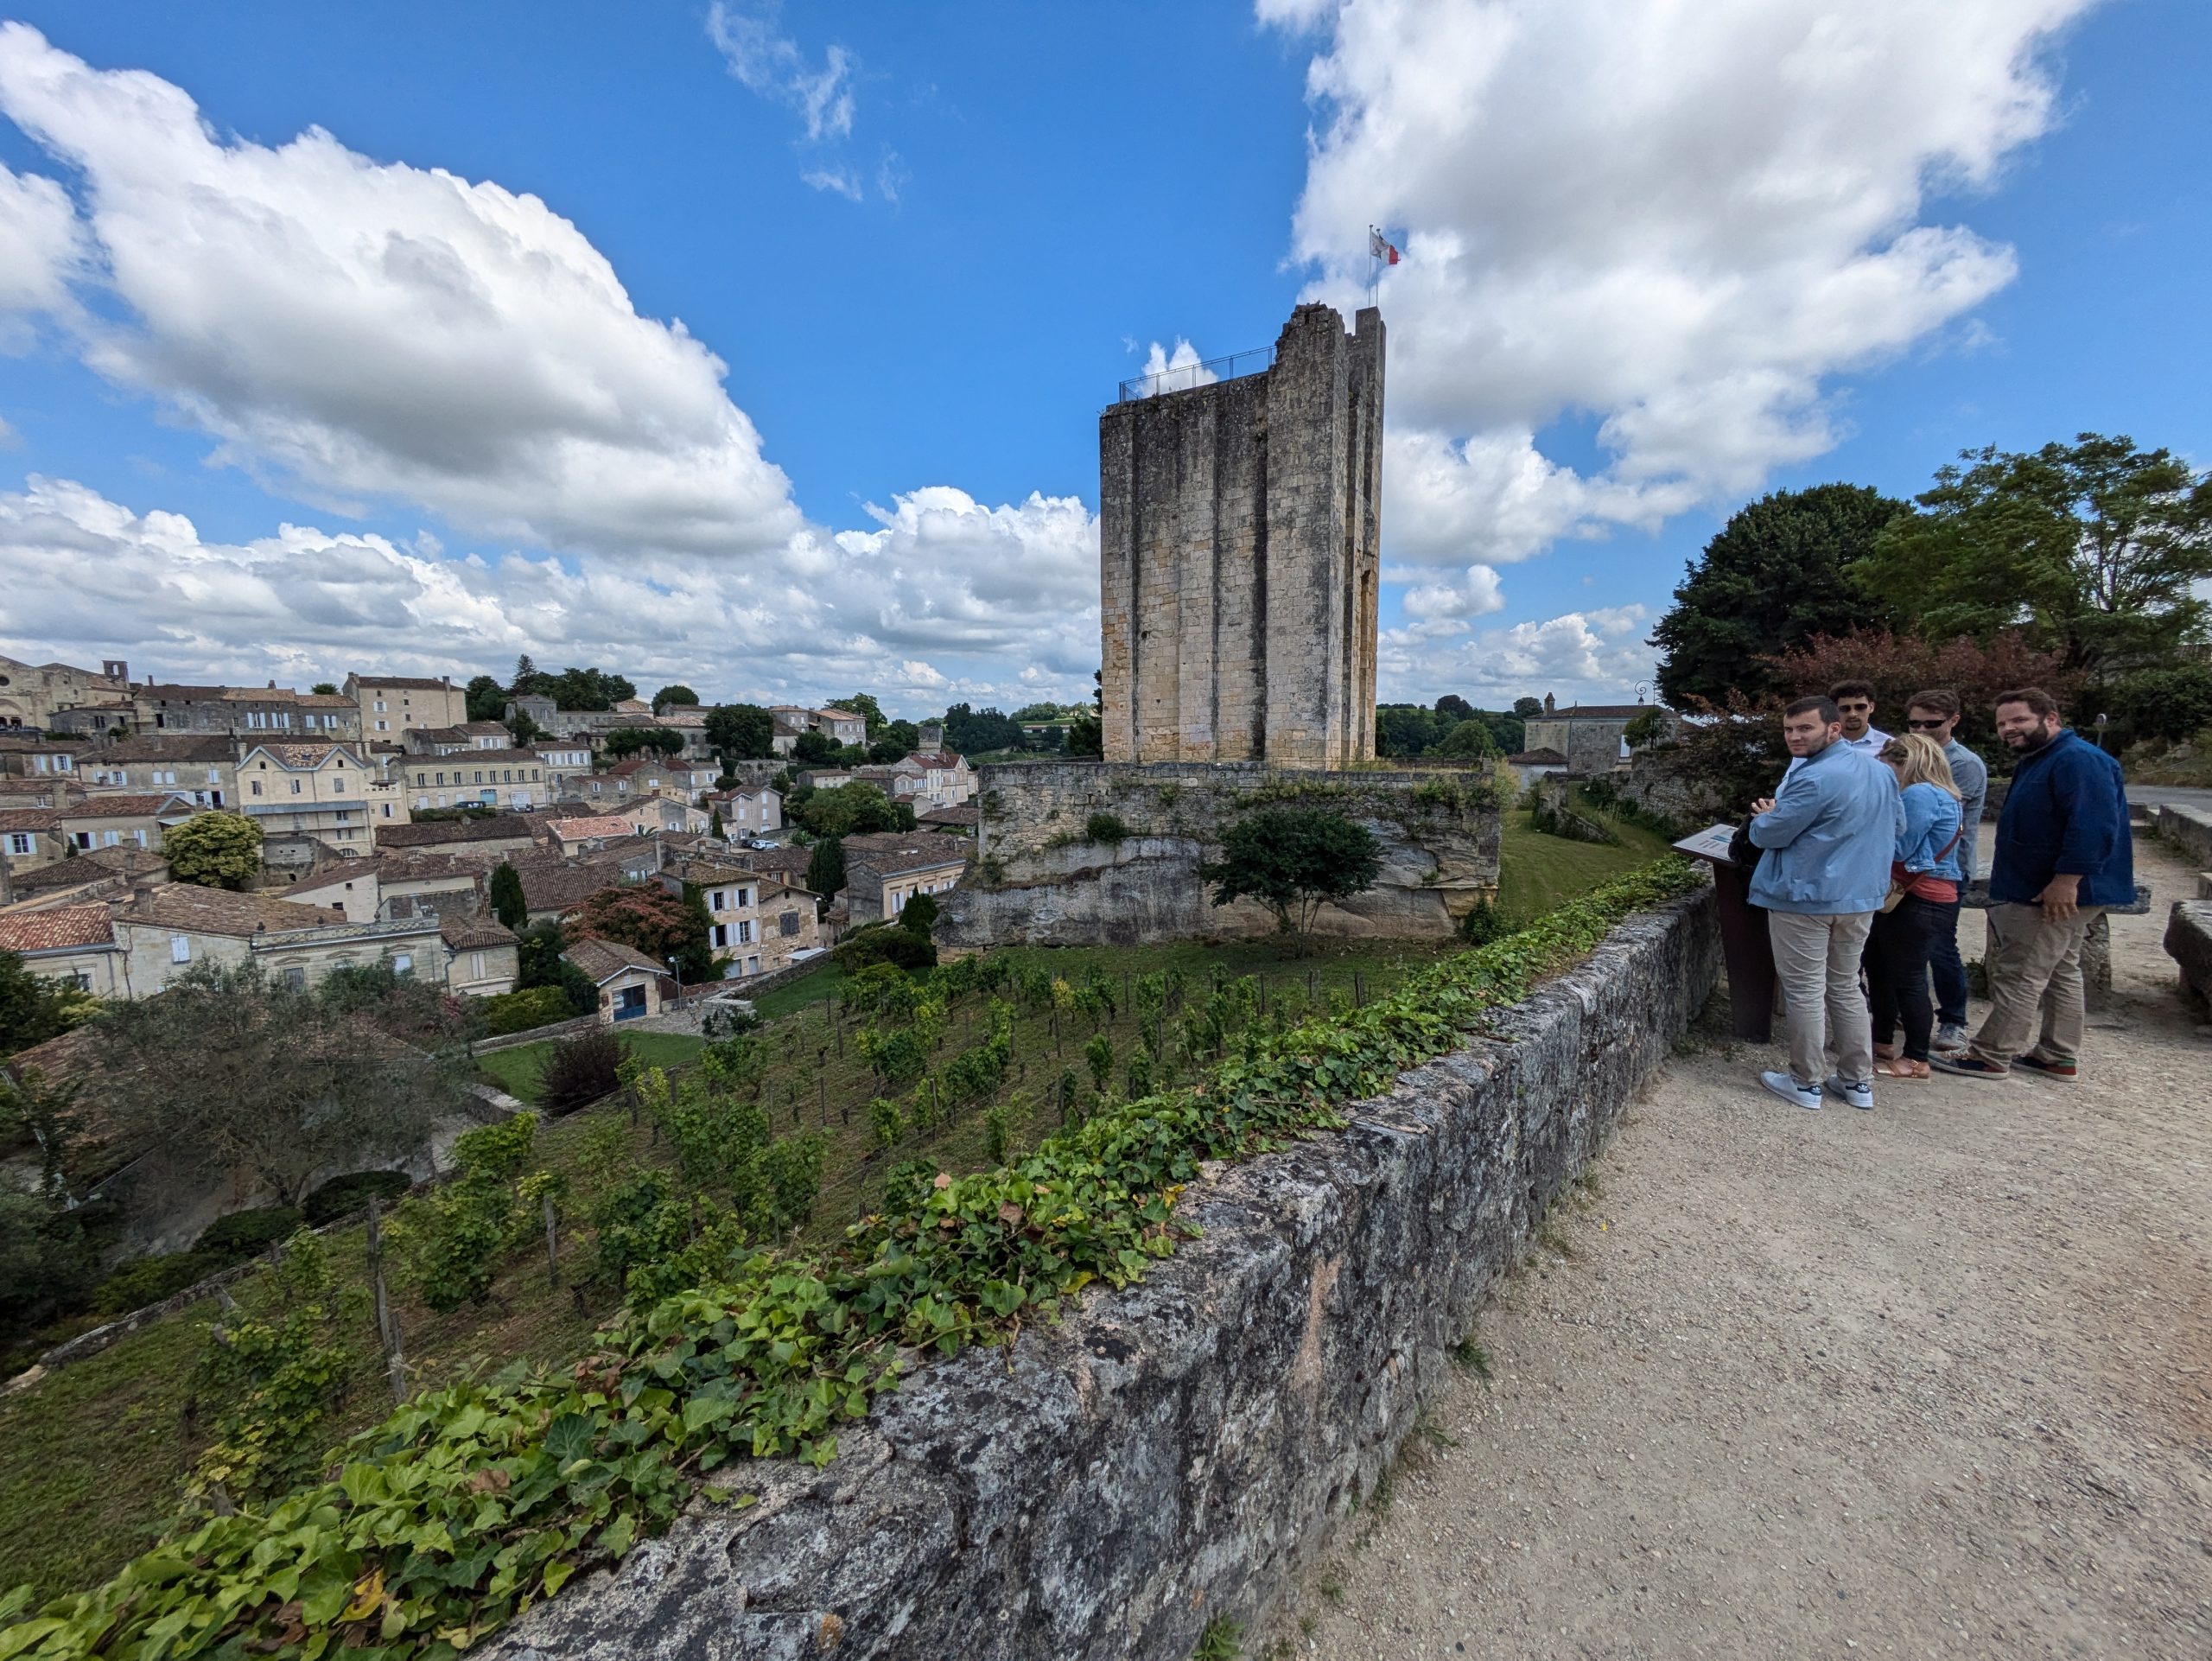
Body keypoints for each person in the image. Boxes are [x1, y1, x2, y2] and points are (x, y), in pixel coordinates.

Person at [1933, 688, 2133, 1082]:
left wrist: (2067, 880)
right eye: (2002, 723)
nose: (2008, 729)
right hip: (2046, 886)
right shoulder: (2045, 758)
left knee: (2020, 971)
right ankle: (2057, 1054)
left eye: (2019, 720)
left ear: (2051, 718)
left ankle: (1991, 1055)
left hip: (2051, 891)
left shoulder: (2078, 760)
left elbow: (2094, 826)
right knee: (2060, 967)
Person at [1747, 696, 1905, 1111]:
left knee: (1804, 990)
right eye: (1789, 729)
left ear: (1833, 729)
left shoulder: (1811, 777)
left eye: (1805, 728)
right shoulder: (1881, 773)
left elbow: (1770, 835)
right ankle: (1857, 1082)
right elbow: (1898, 825)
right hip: (1860, 897)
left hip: (1806, 896)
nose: (1795, 737)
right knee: (1846, 985)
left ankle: (1805, 1082)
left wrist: (1766, 816)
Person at [1863, 734, 1964, 1079]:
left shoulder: (1920, 794)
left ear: (1905, 762)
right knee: (1881, 967)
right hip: (1922, 894)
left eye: (1887, 766)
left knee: (1908, 977)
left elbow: (1902, 846)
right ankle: (1882, 1041)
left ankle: (1916, 1059)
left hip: (1917, 896)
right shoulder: (1943, 794)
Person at [1901, 690, 1988, 1052]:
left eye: (1931, 723)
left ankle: (1954, 1020)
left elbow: (1932, 817)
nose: (1922, 729)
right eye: (1915, 723)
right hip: (1913, 869)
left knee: (1940, 948)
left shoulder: (1963, 764)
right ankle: (1908, 1015)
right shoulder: (1912, 754)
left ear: (1953, 720)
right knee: (1906, 950)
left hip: (1944, 870)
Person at [1829, 680, 1891, 754]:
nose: (1852, 714)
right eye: (1845, 709)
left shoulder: (1889, 746)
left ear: (1871, 707)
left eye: (1860, 707)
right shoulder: (1823, 744)